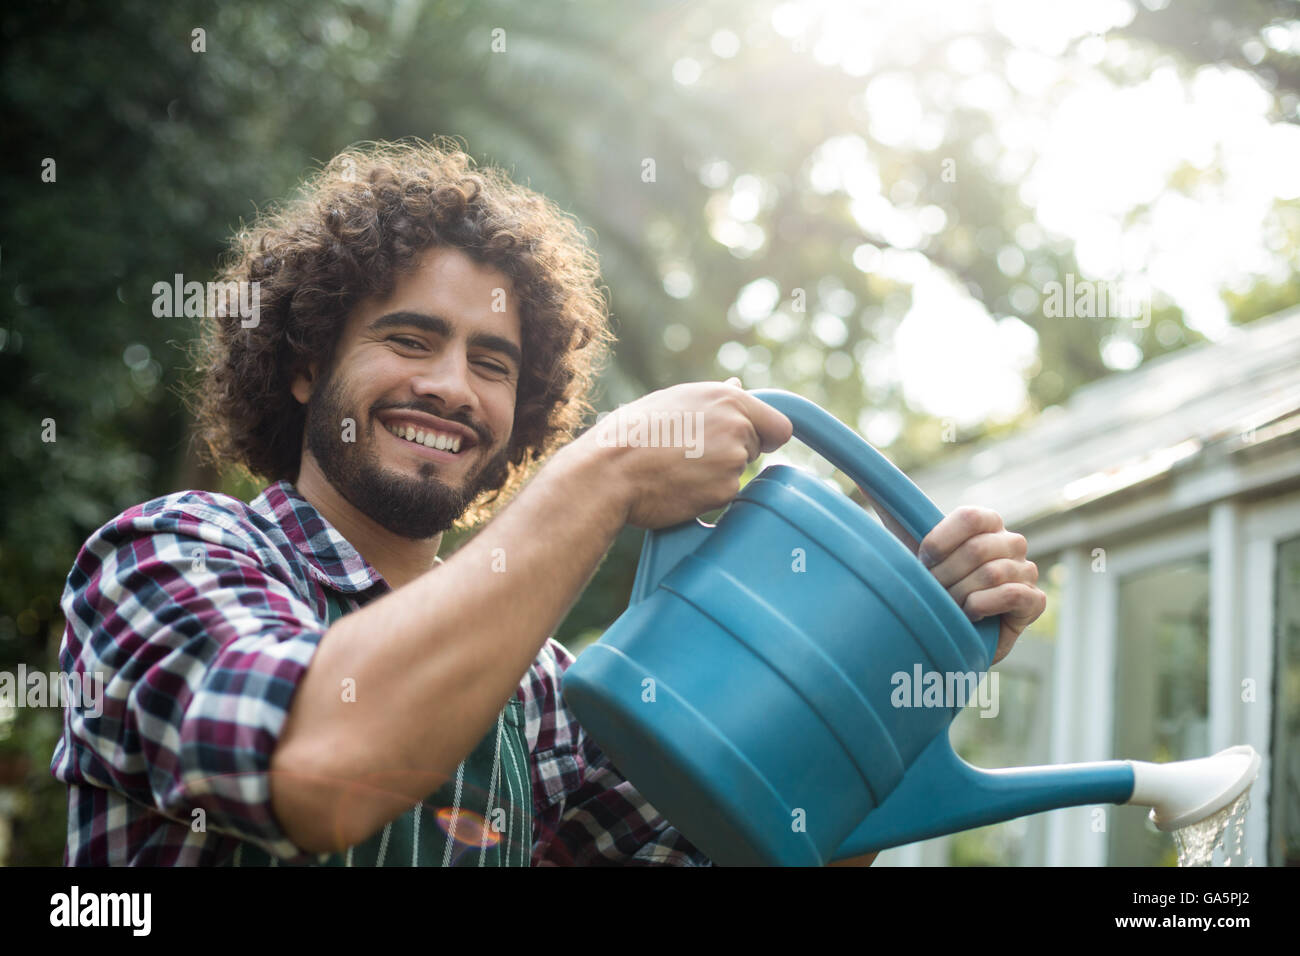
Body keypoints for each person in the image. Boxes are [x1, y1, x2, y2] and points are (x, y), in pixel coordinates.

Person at [50, 138, 1046, 866]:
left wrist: (898, 656)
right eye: (408, 338)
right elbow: (312, 767)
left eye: (491, 362)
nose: (449, 385)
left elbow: (765, 843)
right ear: (304, 366)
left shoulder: (539, 688)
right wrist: (605, 470)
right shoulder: (166, 554)